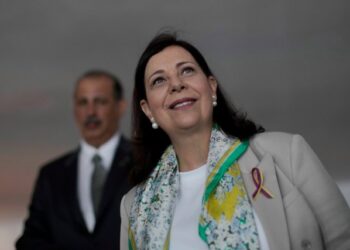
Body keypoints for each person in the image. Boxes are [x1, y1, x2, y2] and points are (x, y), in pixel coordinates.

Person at [120, 33, 350, 250]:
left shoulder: (286, 153)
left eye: (187, 70)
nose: (176, 84)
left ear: (211, 87)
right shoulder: (134, 207)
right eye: (159, 80)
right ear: (148, 109)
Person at [16, 70, 133, 250]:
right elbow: (29, 240)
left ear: (120, 107)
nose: (90, 111)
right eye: (82, 102)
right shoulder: (51, 175)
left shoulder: (145, 162)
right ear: (74, 109)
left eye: (100, 102)